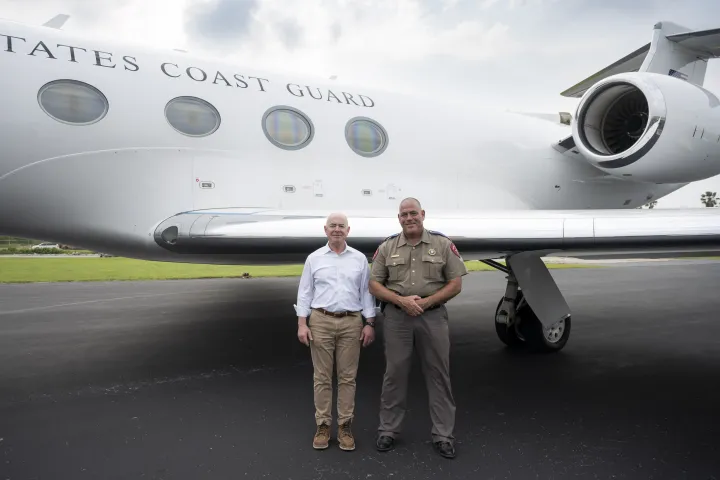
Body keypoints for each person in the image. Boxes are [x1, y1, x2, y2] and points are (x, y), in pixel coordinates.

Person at [369, 197, 468, 459]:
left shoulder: (442, 244)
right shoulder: (387, 247)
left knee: (438, 374)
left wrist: (425, 303)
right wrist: (401, 301)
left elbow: (455, 283)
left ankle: (443, 435)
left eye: (413, 213)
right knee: (394, 374)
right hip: (397, 319)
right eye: (404, 215)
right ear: (398, 218)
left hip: (432, 318)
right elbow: (374, 285)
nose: (409, 218)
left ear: (422, 214)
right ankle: (388, 430)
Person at [295, 212, 377, 451]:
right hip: (320, 320)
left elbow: (366, 292)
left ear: (348, 231)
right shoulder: (314, 258)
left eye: (342, 226)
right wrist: (302, 323)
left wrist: (370, 323)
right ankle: (322, 425)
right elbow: (305, 292)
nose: (337, 229)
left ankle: (345, 426)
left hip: (352, 322)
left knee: (347, 378)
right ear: (325, 229)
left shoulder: (360, 259)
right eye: (333, 226)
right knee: (321, 377)